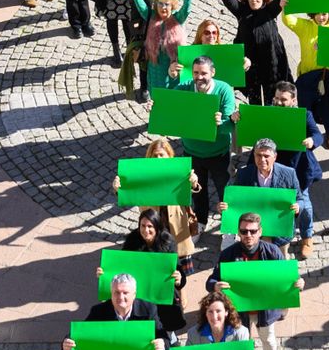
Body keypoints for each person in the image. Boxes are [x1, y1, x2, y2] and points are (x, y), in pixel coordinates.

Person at [208, 212, 306, 350]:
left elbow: (287, 279)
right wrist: (216, 286)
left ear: (260, 232)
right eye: (244, 231)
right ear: (238, 231)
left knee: (268, 340)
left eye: (253, 231)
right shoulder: (228, 255)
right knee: (241, 341)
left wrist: (298, 284)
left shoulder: (272, 252)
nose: (248, 235)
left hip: (265, 311)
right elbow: (210, 281)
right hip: (238, 312)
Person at [158, 55, 238, 229]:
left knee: (225, 190)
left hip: (219, 154)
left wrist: (220, 124)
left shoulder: (224, 90)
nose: (199, 77)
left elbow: (229, 126)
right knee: (197, 191)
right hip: (192, 152)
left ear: (213, 72)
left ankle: (230, 226)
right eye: (195, 73)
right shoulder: (186, 87)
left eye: (203, 73)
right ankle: (200, 222)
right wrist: (156, 106)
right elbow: (168, 102)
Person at [283, 0, 329, 148]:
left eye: (324, 14)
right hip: (308, 73)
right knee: (305, 103)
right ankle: (309, 133)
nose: (321, 17)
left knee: (326, 104)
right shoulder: (305, 26)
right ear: (313, 15)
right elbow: (289, 20)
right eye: (317, 14)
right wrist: (285, 7)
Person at [115, 137, 203, 255]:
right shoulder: (143, 175)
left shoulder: (178, 171)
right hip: (153, 224)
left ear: (169, 155)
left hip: (176, 223)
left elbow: (193, 189)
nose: (158, 158)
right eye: (155, 155)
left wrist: (193, 182)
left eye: (162, 155)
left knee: (178, 262)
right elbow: (129, 192)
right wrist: (118, 189)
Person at [271, 81, 324, 258]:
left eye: (283, 100)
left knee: (305, 207)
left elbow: (317, 134)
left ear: (294, 100)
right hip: (276, 168)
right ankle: (281, 235)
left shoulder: (304, 115)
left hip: (299, 169)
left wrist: (311, 141)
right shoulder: (268, 114)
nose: (278, 102)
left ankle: (307, 237)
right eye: (276, 98)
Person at [117, 208, 189, 336]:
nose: (146, 230)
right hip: (141, 292)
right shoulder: (132, 242)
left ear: (157, 227)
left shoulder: (167, 242)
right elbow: (121, 266)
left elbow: (177, 269)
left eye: (150, 226)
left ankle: (168, 336)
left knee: (165, 321)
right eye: (142, 226)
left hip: (161, 292)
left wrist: (179, 279)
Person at [224, 139, 302, 254]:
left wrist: (298, 206)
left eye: (266, 156)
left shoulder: (289, 174)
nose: (262, 160)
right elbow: (234, 200)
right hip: (253, 235)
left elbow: (300, 198)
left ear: (275, 157)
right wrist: (225, 207)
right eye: (258, 155)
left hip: (279, 232)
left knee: (280, 263)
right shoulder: (244, 174)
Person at [220, 0, 290, 106]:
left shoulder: (270, 10)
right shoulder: (241, 11)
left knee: (272, 101)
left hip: (271, 66)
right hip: (251, 69)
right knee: (254, 102)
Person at [134, 0, 194, 93]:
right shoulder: (152, 16)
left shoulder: (177, 18)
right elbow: (141, 7)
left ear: (172, 6)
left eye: (167, 4)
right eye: (160, 3)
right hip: (155, 63)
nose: (163, 7)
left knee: (173, 90)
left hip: (172, 62)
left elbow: (186, 10)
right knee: (156, 90)